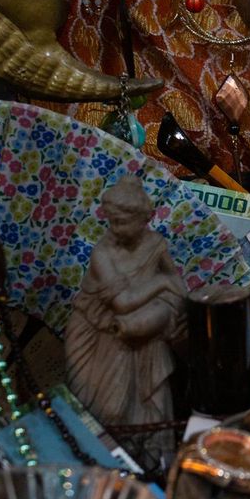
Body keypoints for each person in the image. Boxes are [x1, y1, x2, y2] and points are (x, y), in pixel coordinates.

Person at [65, 176, 185, 465]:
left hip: (137, 335)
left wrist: (171, 301)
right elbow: (123, 303)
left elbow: (179, 288)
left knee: (145, 405)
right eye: (111, 221)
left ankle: (146, 467)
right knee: (103, 410)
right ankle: (99, 464)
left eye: (122, 222)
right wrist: (161, 285)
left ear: (144, 218)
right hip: (96, 334)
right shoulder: (102, 252)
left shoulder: (156, 244)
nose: (115, 229)